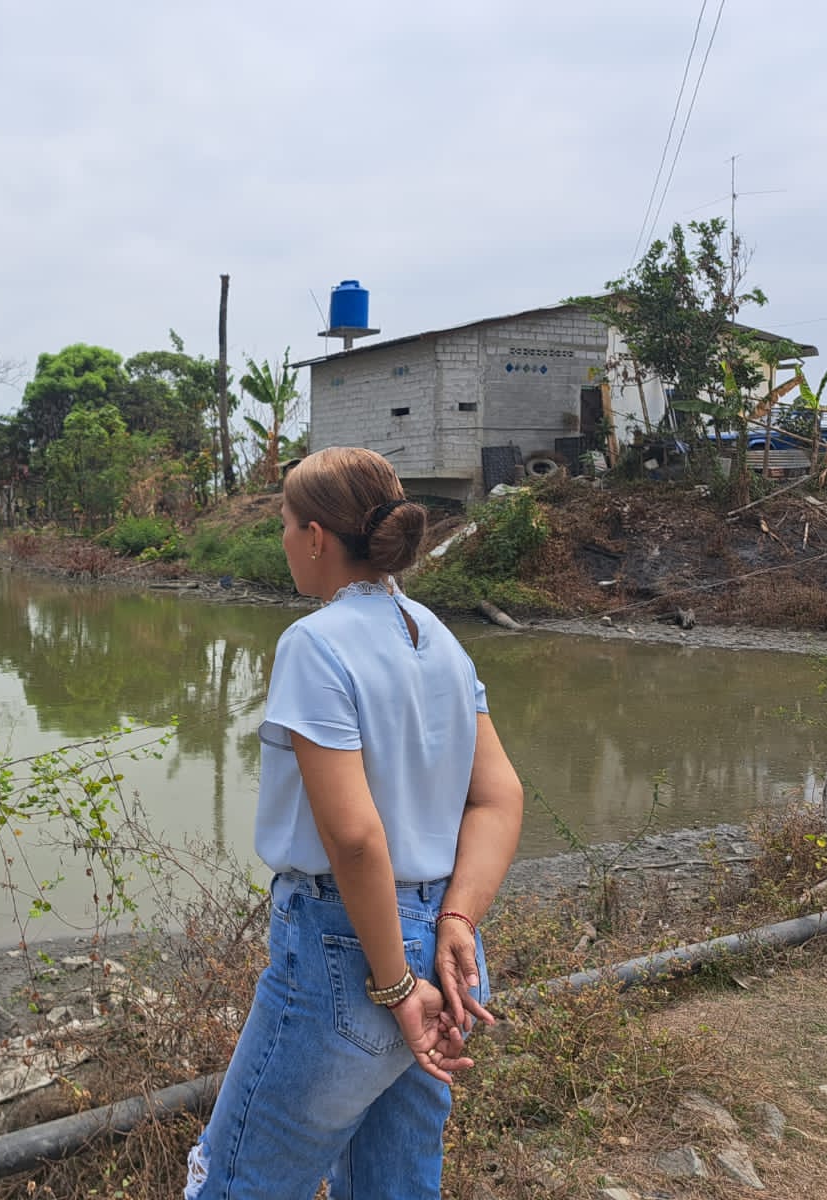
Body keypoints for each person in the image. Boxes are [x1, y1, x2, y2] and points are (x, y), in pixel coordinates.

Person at [184, 447, 524, 1199]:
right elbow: (500, 796)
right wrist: (458, 919)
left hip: (352, 954)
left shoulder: (315, 643)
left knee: (238, 1183)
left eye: (284, 523)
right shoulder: (438, 637)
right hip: (445, 947)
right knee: (392, 1182)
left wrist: (395, 987)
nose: (281, 539)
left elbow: (355, 837)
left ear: (315, 537)